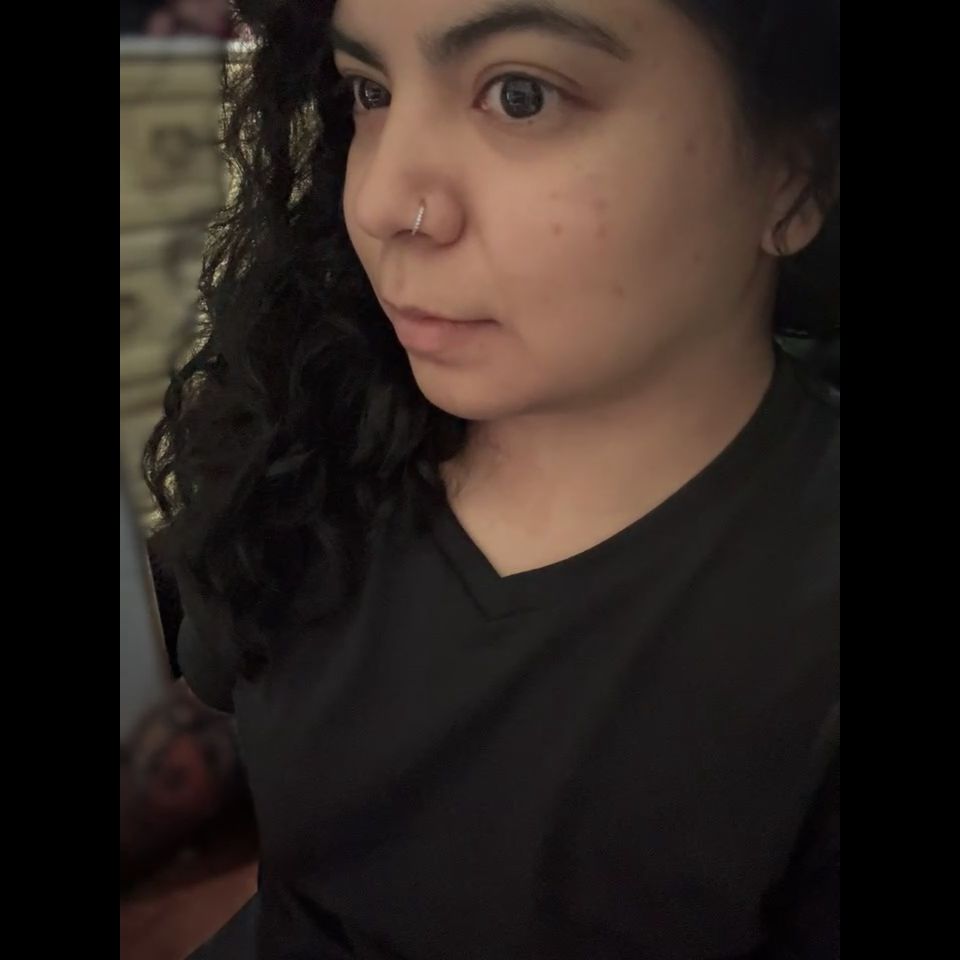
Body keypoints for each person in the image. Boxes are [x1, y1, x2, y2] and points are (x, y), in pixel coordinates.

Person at [144, 0, 840, 956]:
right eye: (371, 93)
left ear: (794, 176)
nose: (384, 202)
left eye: (520, 96)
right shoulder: (315, 421)